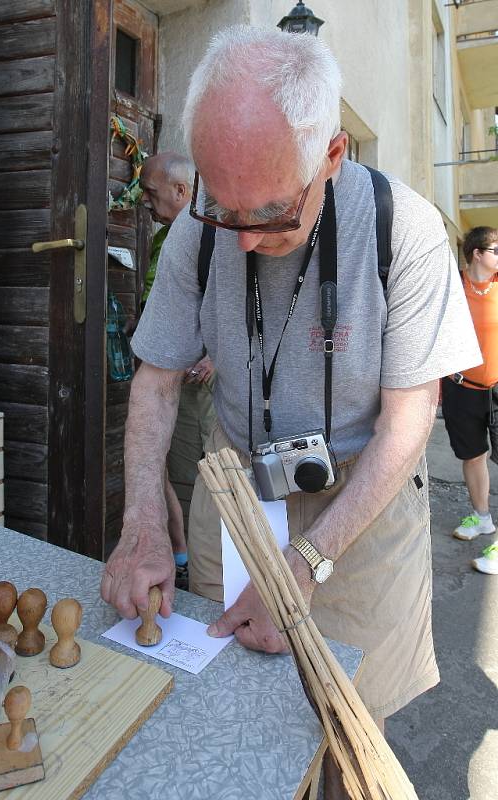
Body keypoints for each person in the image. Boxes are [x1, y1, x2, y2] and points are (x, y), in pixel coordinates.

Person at [102, 27, 481, 798]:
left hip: (361, 500)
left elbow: (411, 419)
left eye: (271, 216)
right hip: (237, 485)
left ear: (333, 157)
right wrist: (143, 518)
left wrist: (309, 565)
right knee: (230, 708)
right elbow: (157, 379)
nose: (239, 243)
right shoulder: (201, 230)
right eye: (221, 210)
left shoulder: (402, 230)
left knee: (348, 730)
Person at [139, 152, 217, 589]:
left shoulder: (214, 236)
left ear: (182, 192)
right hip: (170, 375)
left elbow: (241, 310)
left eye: (151, 193)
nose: (145, 202)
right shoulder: (160, 241)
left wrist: (213, 358)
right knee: (177, 467)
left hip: (203, 379)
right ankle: (184, 557)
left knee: (211, 472)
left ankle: (210, 568)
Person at [441, 227, 498, 574]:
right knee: (473, 455)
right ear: (477, 253)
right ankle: (482, 518)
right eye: (496, 248)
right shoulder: (453, 285)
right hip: (461, 387)